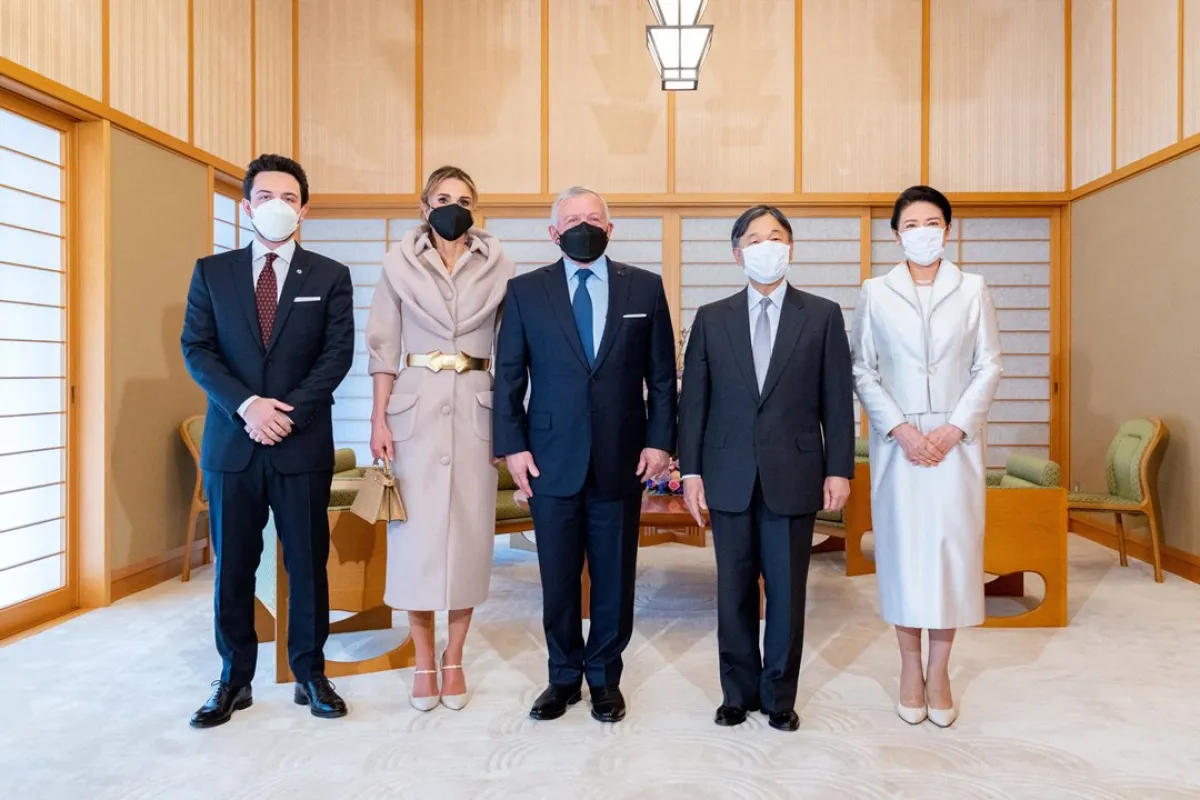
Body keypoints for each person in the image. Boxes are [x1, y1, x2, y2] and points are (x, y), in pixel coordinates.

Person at [181, 153, 355, 728]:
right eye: (264, 197)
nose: (275, 206)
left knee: (307, 563)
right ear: (246, 205)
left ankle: (310, 672)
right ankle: (234, 678)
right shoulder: (213, 272)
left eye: (287, 198)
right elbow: (197, 350)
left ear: (303, 208)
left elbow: (336, 356)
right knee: (232, 564)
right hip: (233, 445)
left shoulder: (330, 275)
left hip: (301, 443)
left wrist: (288, 413)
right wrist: (248, 406)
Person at [493, 186, 677, 723]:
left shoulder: (643, 287)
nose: (583, 225)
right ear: (553, 233)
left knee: (616, 576)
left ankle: (604, 678)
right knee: (556, 577)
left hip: (623, 455)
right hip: (549, 458)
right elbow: (509, 377)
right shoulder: (526, 290)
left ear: (610, 229)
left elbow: (662, 378)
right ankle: (562, 677)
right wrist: (512, 446)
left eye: (593, 218)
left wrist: (661, 440)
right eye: (572, 219)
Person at [677, 205, 856, 733]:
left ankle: (779, 695)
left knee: (786, 592)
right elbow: (695, 406)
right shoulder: (711, 318)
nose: (765, 246)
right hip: (728, 474)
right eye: (753, 239)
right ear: (737, 254)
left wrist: (839, 468)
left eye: (775, 237)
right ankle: (737, 693)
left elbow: (836, 401)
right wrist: (691, 473)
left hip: (795, 474)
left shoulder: (822, 315)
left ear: (791, 248)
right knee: (732, 590)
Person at [849, 185, 1003, 728]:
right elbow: (862, 368)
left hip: (956, 448)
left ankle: (941, 671)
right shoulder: (875, 291)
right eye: (911, 224)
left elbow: (989, 365)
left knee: (951, 558)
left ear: (948, 229)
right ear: (896, 233)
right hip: (899, 447)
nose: (922, 232)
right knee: (904, 556)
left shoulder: (972, 289)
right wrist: (900, 430)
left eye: (932, 222)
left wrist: (955, 427)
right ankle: (909, 668)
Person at [365, 166, 515, 712]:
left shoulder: (500, 266)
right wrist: (380, 418)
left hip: (477, 404)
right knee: (416, 543)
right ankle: (423, 660)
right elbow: (383, 347)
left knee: (469, 538)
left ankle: (456, 657)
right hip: (414, 407)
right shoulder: (396, 264)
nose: (454, 206)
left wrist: (512, 422)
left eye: (465, 198)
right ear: (423, 205)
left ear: (478, 207)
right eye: (443, 197)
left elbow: (512, 351)